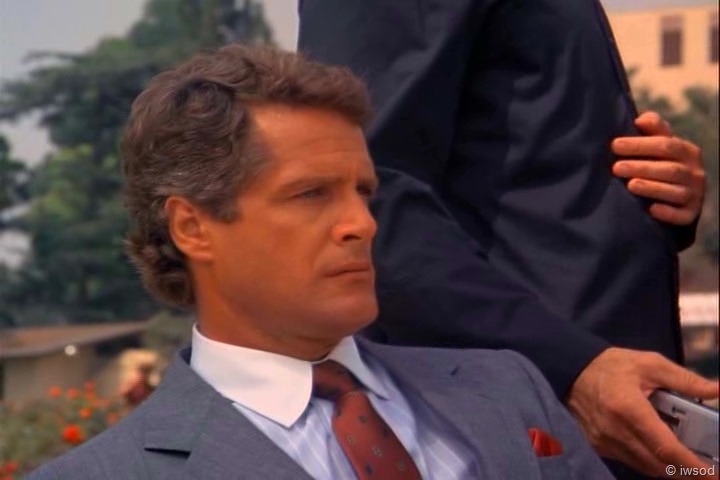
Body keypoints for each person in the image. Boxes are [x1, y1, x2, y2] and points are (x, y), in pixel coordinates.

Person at [29, 44, 614, 480]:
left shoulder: (507, 388)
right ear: (192, 227)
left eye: (363, 192)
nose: (363, 223)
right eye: (311, 194)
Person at [297, 1, 716, 478]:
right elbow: (362, 198)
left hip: (605, 410)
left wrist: (655, 198)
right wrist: (573, 368)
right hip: (522, 425)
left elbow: (529, 167)